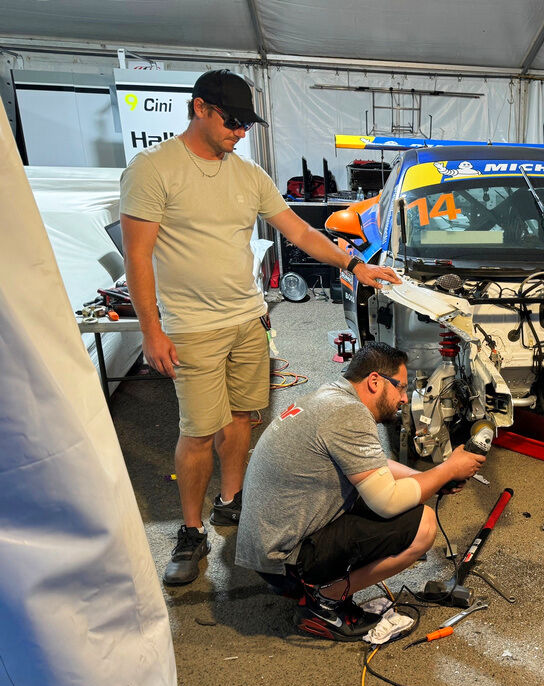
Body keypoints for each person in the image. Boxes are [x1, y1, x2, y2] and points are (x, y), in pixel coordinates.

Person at [120, 70, 400, 587]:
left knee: (243, 418)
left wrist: (355, 266)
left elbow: (298, 229)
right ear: (200, 108)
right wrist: (151, 330)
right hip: (193, 328)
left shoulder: (248, 175)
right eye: (232, 121)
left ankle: (231, 502)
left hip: (248, 320)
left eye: (246, 123)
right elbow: (137, 256)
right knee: (198, 431)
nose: (240, 132)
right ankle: (189, 530)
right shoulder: (154, 169)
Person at [234, 342, 487, 640]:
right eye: (401, 388)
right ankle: (324, 601)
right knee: (423, 525)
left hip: (270, 549)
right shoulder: (347, 414)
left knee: (412, 502)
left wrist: (432, 478)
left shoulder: (332, 397)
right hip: (285, 559)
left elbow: (374, 466)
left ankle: (318, 588)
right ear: (375, 381)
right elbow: (387, 501)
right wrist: (447, 469)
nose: (404, 399)